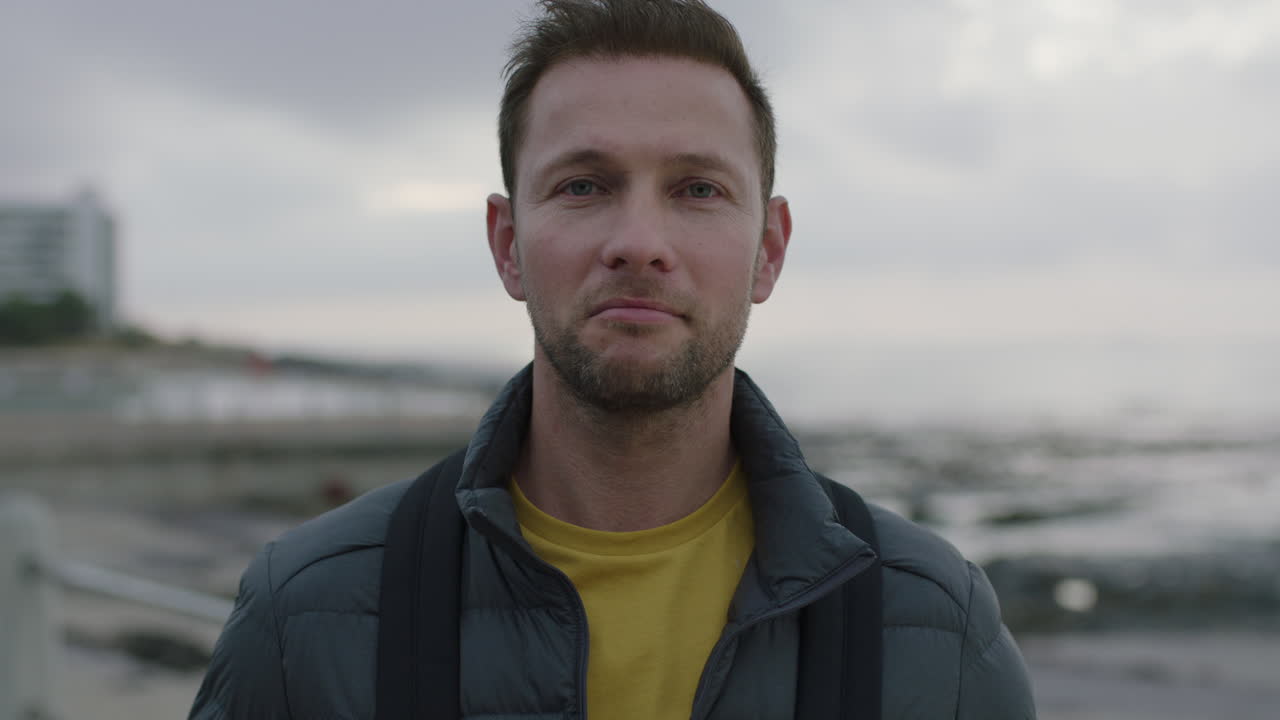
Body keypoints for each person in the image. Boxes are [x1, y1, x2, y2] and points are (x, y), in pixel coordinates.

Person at [189, 1, 1036, 718]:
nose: (639, 244)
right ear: (507, 243)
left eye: (698, 189)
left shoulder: (935, 629)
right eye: (584, 186)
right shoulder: (305, 618)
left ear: (769, 250)